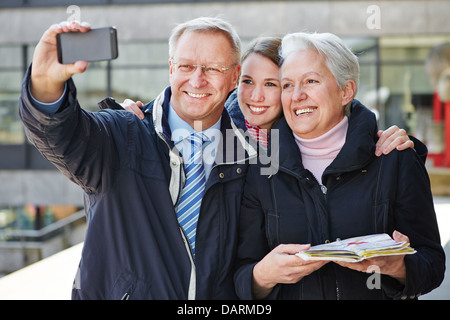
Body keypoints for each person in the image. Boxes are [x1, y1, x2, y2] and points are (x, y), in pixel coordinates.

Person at [19, 17, 254, 299]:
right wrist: (44, 86)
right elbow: (62, 137)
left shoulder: (251, 155)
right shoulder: (120, 136)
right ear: (171, 68)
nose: (197, 79)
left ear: (235, 76)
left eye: (213, 68)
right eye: (186, 66)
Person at [233, 31, 445, 300]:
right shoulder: (261, 169)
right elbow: (241, 274)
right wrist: (262, 276)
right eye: (287, 85)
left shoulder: (396, 158)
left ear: (346, 91)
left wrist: (398, 267)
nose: (297, 95)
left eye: (311, 81)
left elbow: (433, 266)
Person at [123, 36, 420, 156]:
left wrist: (382, 137)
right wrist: (141, 115)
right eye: (248, 81)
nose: (255, 96)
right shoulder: (221, 130)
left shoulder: (304, 141)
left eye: (273, 84)